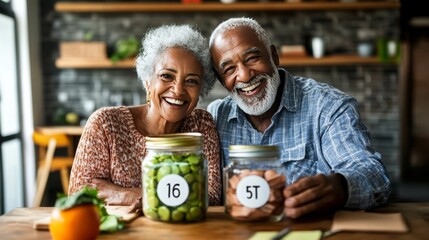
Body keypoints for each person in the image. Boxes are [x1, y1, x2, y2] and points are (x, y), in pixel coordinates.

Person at [207, 17, 392, 219]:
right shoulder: (215, 117)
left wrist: (341, 187)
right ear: (223, 82)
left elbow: (373, 174)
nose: (244, 75)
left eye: (252, 58)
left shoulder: (327, 106)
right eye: (229, 69)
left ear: (274, 57)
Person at [68, 24, 222, 211]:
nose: (178, 90)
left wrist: (145, 196)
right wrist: (136, 196)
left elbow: (211, 196)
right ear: (148, 82)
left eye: (191, 81)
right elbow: (79, 193)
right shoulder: (105, 123)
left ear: (201, 89)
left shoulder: (202, 125)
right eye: (166, 76)